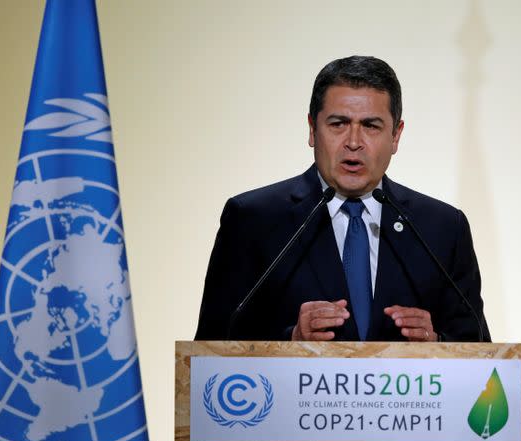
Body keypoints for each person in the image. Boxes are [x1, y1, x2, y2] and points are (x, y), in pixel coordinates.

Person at [195, 56, 490, 342]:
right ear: (312, 129)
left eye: (371, 126)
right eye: (338, 123)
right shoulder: (252, 220)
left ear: (396, 135)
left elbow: (480, 354)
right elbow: (213, 347)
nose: (353, 142)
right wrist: (292, 340)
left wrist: (437, 345)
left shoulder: (443, 228)